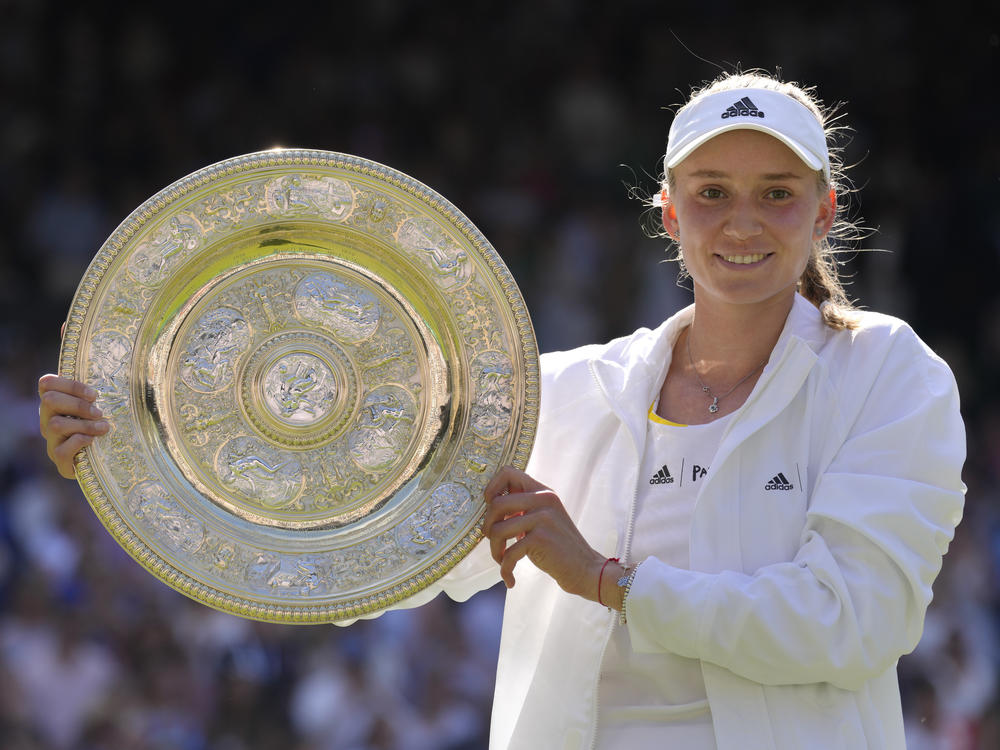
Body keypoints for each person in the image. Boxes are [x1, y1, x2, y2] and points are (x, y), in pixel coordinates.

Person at [38, 71, 967, 749]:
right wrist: (133, 453)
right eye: (712, 194)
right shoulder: (561, 393)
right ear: (670, 214)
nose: (743, 223)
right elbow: (375, 565)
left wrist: (607, 580)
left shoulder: (887, 373)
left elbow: (854, 621)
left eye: (777, 195)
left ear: (823, 212)